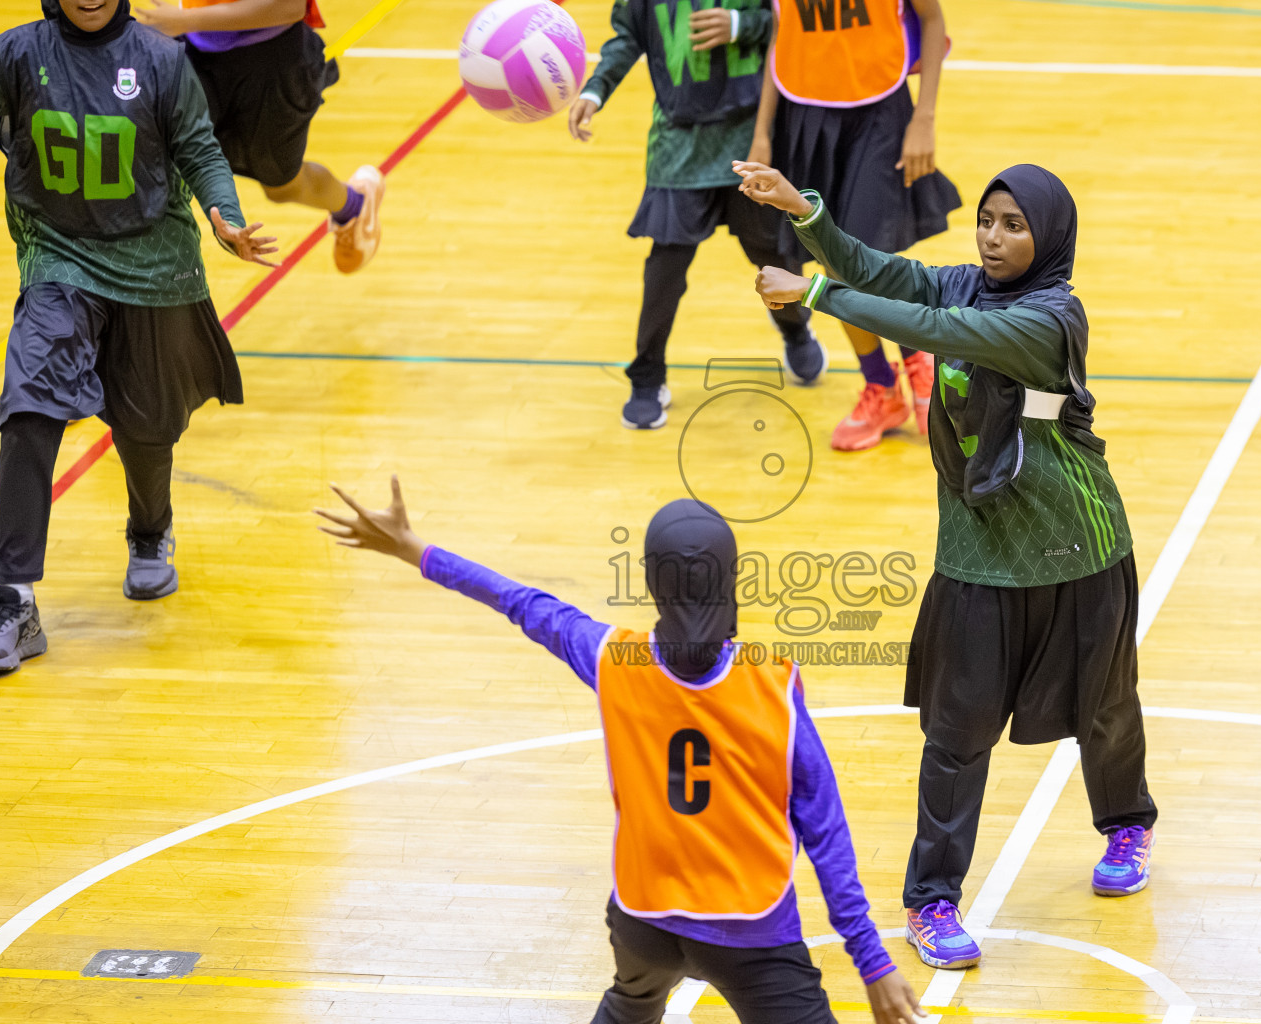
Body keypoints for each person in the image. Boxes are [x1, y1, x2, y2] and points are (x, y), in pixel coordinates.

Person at [736, 160, 1158, 970]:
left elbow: (942, 333)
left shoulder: (1050, 318)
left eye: (1014, 226)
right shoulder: (966, 283)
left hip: (1080, 543)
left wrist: (816, 297)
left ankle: (1127, 823)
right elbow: (884, 272)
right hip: (979, 554)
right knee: (956, 734)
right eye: (987, 221)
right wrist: (806, 213)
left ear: (1051, 237)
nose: (994, 239)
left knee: (1105, 705)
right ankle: (931, 901)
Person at [316, 485, 926, 1024]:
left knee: (633, 1003)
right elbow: (825, 831)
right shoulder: (772, 683)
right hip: (751, 932)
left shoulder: (612, 661)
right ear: (731, 580)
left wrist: (413, 548)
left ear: (652, 580)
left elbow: (521, 603)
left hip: (642, 922)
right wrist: (871, 962)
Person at [0, 0, 277, 672]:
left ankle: (149, 531)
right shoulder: (14, 54)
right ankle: (11, 596)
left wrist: (225, 217)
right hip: (58, 255)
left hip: (154, 262)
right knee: (29, 402)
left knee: (148, 425)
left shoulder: (160, 59)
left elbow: (200, 150)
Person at [566, 0, 825, 430]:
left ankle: (795, 327)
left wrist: (741, 24)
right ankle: (647, 376)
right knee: (666, 264)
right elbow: (628, 34)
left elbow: (786, 23)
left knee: (769, 250)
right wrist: (596, 89)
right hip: (679, 142)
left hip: (749, 134)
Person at [748, 0, 960, 451]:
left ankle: (915, 360)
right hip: (805, 116)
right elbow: (781, 33)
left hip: (880, 112)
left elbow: (932, 16)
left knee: (860, 252)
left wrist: (924, 117)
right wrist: (763, 131)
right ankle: (882, 385)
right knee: (831, 257)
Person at [134, 0, 384, 273]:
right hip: (195, 51)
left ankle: (354, 206)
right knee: (166, 160)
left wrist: (187, 21)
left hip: (271, 62)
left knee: (282, 186)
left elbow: (289, 7)